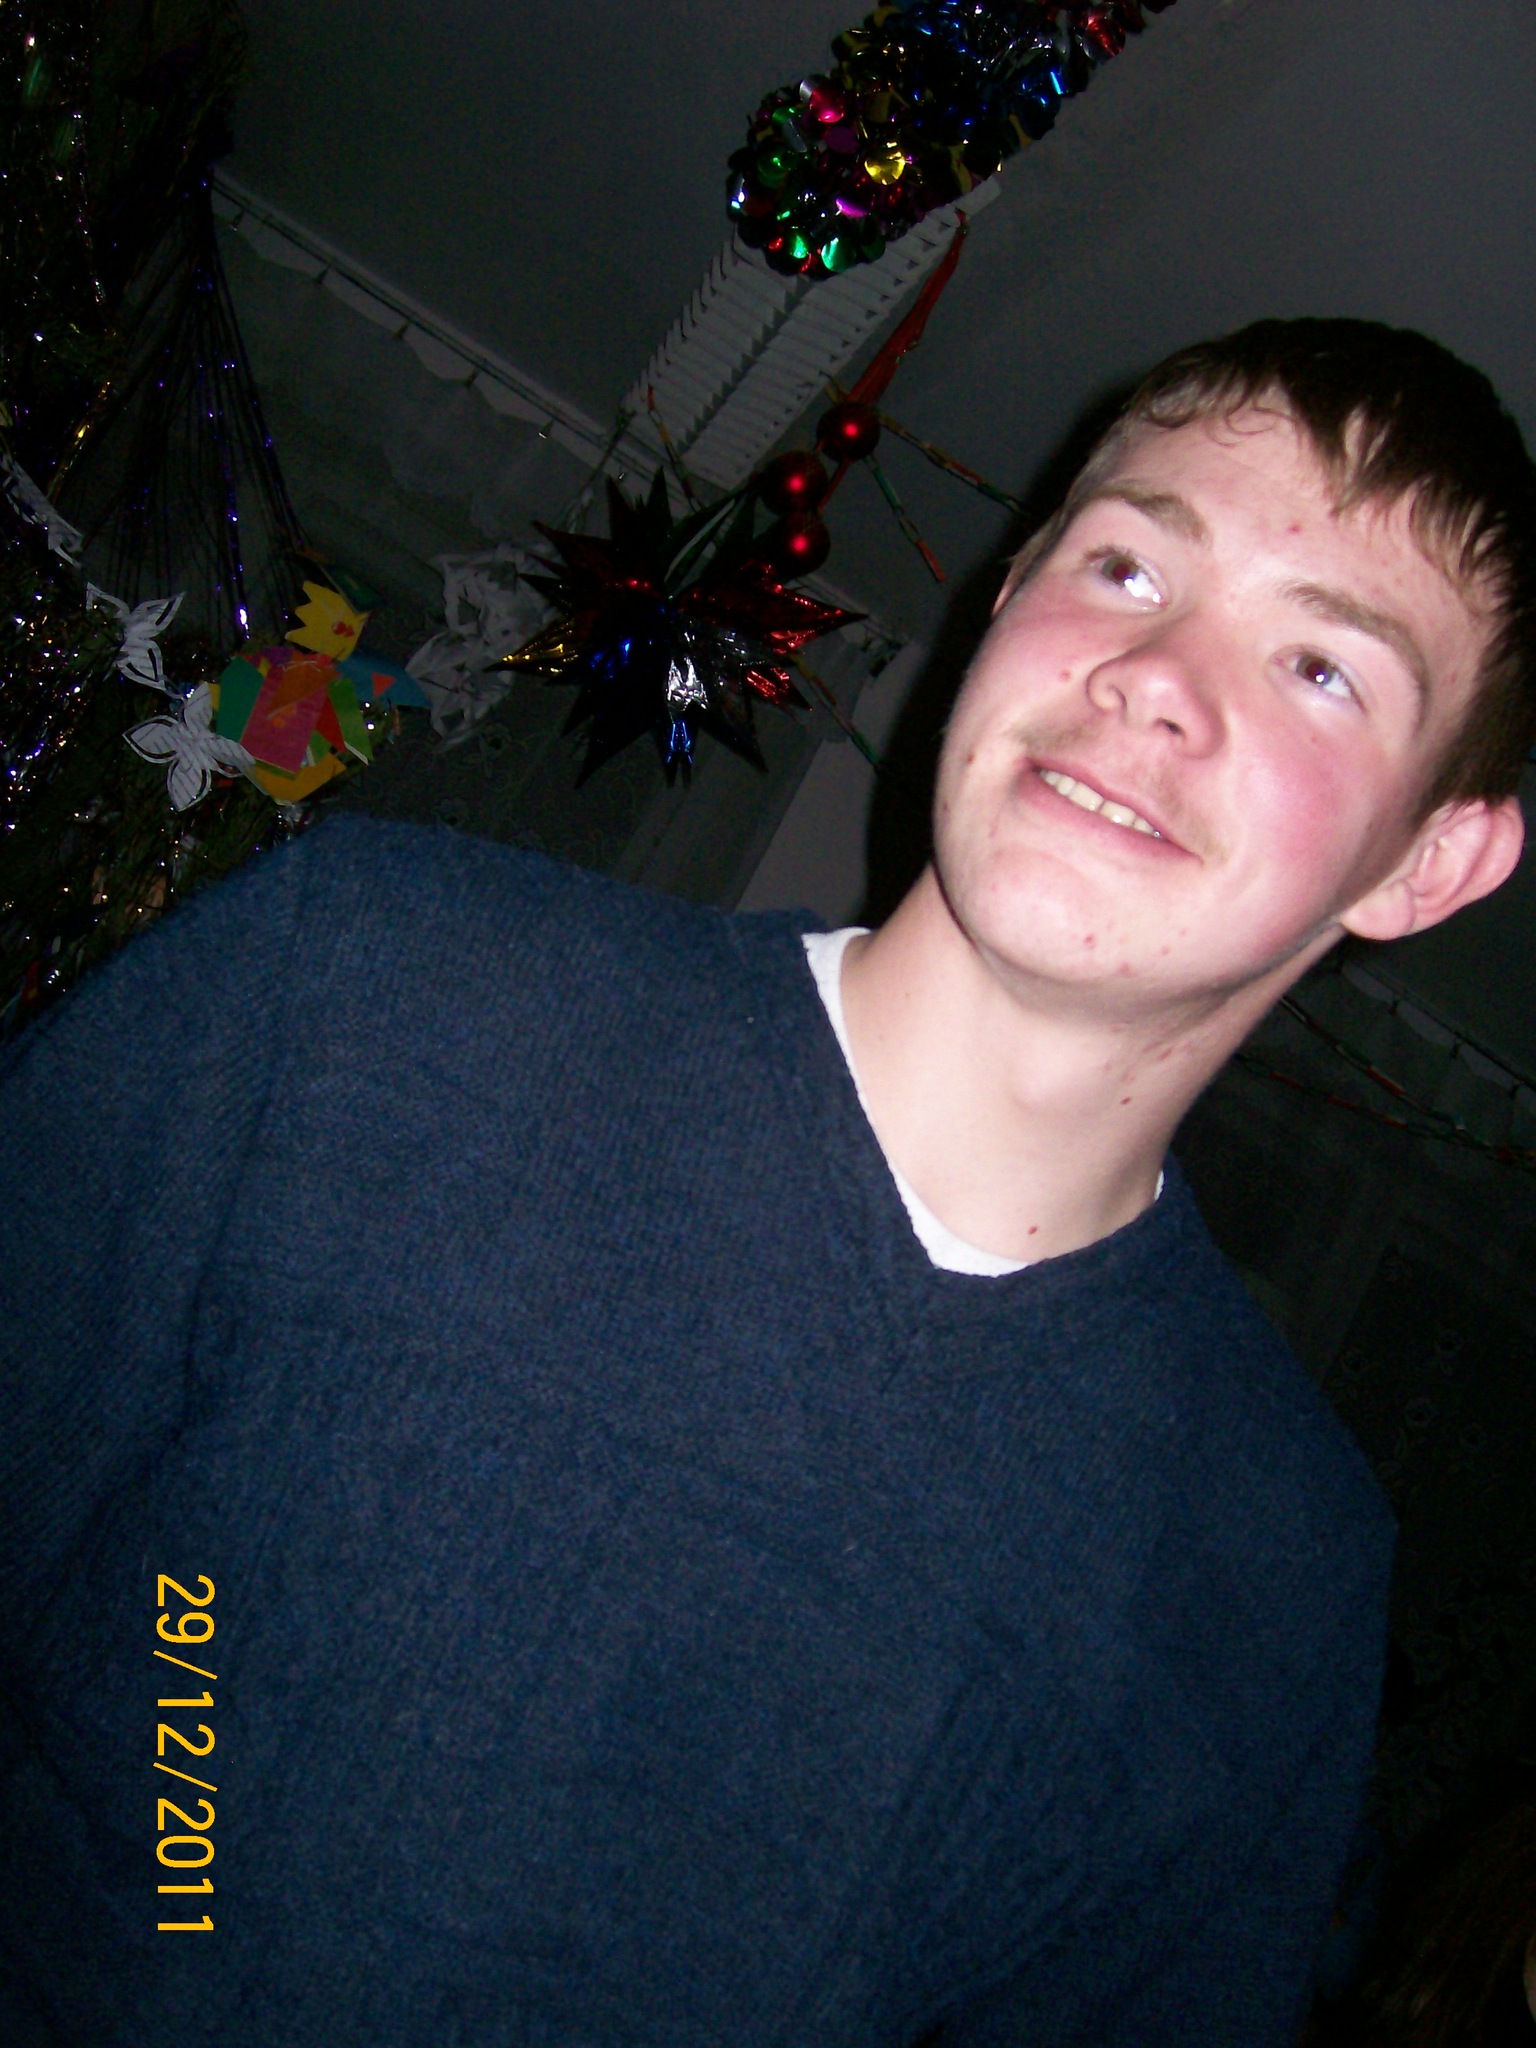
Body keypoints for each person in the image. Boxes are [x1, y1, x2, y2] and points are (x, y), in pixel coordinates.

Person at [1, 317, 1532, 2047]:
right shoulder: (365, 980)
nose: (1156, 675)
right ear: (1007, 597)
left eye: (1322, 667)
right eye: (1123, 567)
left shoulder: (1276, 1581)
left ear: (1429, 862)